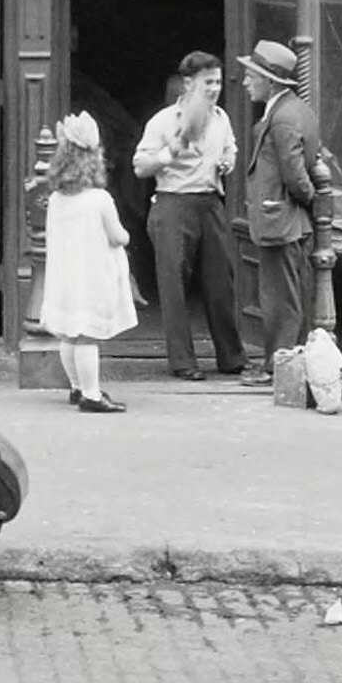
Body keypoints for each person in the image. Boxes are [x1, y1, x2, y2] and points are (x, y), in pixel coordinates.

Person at [132, 51, 246, 382]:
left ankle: (231, 358)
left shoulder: (221, 118)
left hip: (210, 203)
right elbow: (140, 166)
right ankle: (182, 361)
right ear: (188, 83)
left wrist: (227, 162)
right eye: (207, 82)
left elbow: (231, 149)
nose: (215, 89)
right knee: (174, 286)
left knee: (220, 282)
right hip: (173, 204)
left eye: (218, 82)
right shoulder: (163, 121)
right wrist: (169, 153)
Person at [237, 37, 338, 369]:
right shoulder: (295, 109)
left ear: (270, 82)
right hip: (284, 216)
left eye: (251, 76)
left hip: (280, 218)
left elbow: (295, 176)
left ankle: (278, 366)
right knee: (288, 295)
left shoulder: (282, 118)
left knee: (280, 299)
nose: (245, 82)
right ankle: (285, 364)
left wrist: (311, 201)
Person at [35, 115, 137, 413]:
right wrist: (127, 236)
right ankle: (92, 395)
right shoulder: (99, 199)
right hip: (93, 275)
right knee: (88, 336)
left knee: (70, 333)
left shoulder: (57, 198)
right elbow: (117, 236)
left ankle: (77, 387)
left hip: (67, 275)